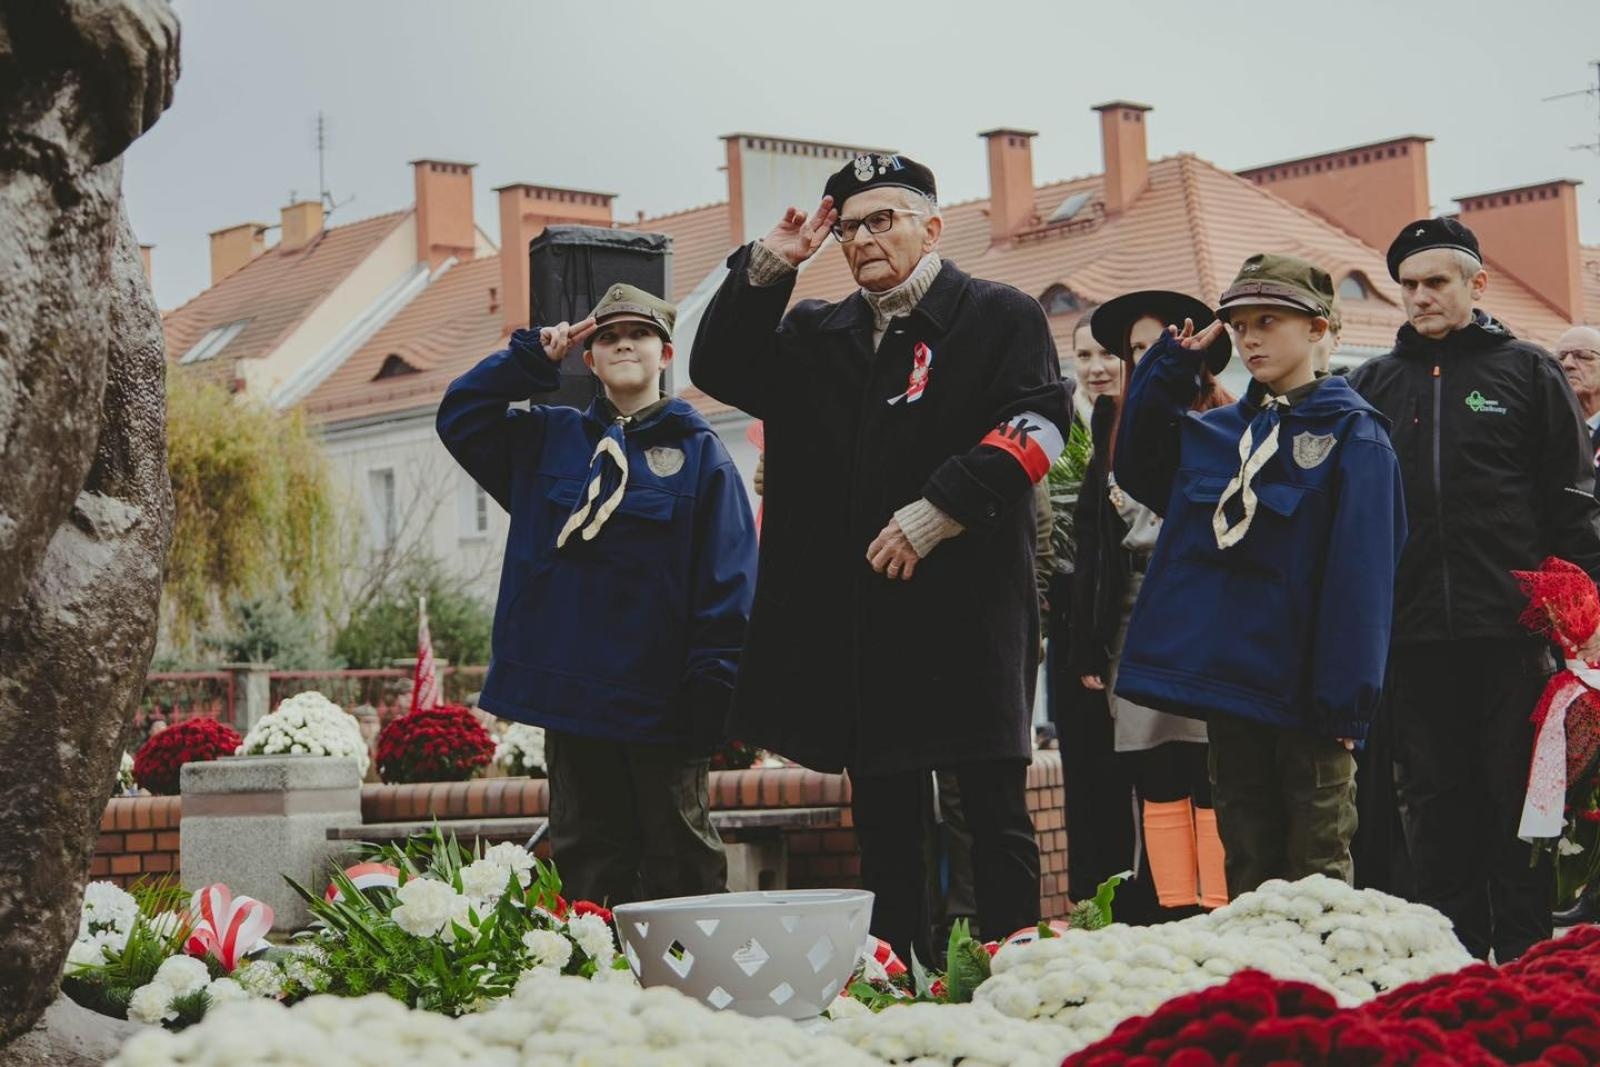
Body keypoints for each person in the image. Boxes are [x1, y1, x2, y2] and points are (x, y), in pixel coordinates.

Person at [691, 153, 1071, 963]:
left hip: (972, 620)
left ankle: (1016, 978)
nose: (864, 239)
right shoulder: (814, 335)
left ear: (931, 227)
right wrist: (770, 267)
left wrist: (939, 509)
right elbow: (716, 366)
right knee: (888, 832)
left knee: (995, 818)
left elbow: (1040, 429)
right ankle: (897, 987)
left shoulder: (1000, 316)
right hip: (867, 628)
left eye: (883, 220)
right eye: (851, 228)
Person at [437, 284, 758, 907]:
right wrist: (530, 358)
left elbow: (729, 580)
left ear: (664, 354)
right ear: (590, 359)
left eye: (637, 335)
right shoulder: (546, 442)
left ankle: (688, 996)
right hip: (575, 699)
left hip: (662, 702)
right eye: (608, 338)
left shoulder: (701, 457)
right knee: (587, 860)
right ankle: (598, 990)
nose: (622, 346)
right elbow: (461, 415)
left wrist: (713, 687)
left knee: (680, 859)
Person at [1114, 254, 1406, 899]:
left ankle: (1325, 997)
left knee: (1317, 867)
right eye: (1239, 324)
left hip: (1309, 696)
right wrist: (1167, 369)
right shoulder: (1218, 432)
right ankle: (1259, 996)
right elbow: (1139, 467)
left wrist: (1346, 705)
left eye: (1268, 321)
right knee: (1245, 864)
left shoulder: (1355, 436)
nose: (1249, 338)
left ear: (1319, 328)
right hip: (1233, 687)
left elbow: (1363, 584)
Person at [1348, 219, 1600, 962]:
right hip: (1414, 640)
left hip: (1512, 638)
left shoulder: (1526, 370)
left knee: (1517, 811)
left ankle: (1526, 965)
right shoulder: (1372, 383)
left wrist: (1586, 616)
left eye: (1437, 282)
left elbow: (1572, 503)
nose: (1421, 296)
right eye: (1409, 284)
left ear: (1475, 285)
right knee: (1434, 813)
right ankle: (1454, 969)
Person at [1072, 291, 1234, 917]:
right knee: (1152, 764)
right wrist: (1088, 634)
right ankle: (1171, 906)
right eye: (1135, 349)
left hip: (1201, 608)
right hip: (1133, 608)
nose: (1146, 358)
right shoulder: (1110, 424)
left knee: (1207, 764)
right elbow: (1095, 540)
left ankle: (1218, 905)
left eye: (1158, 343)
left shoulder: (1222, 416)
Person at [1549, 324, 1600, 927]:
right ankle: (1576, 878)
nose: (1569, 364)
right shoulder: (1556, 435)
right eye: (1559, 355)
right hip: (1563, 616)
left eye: (1583, 355)